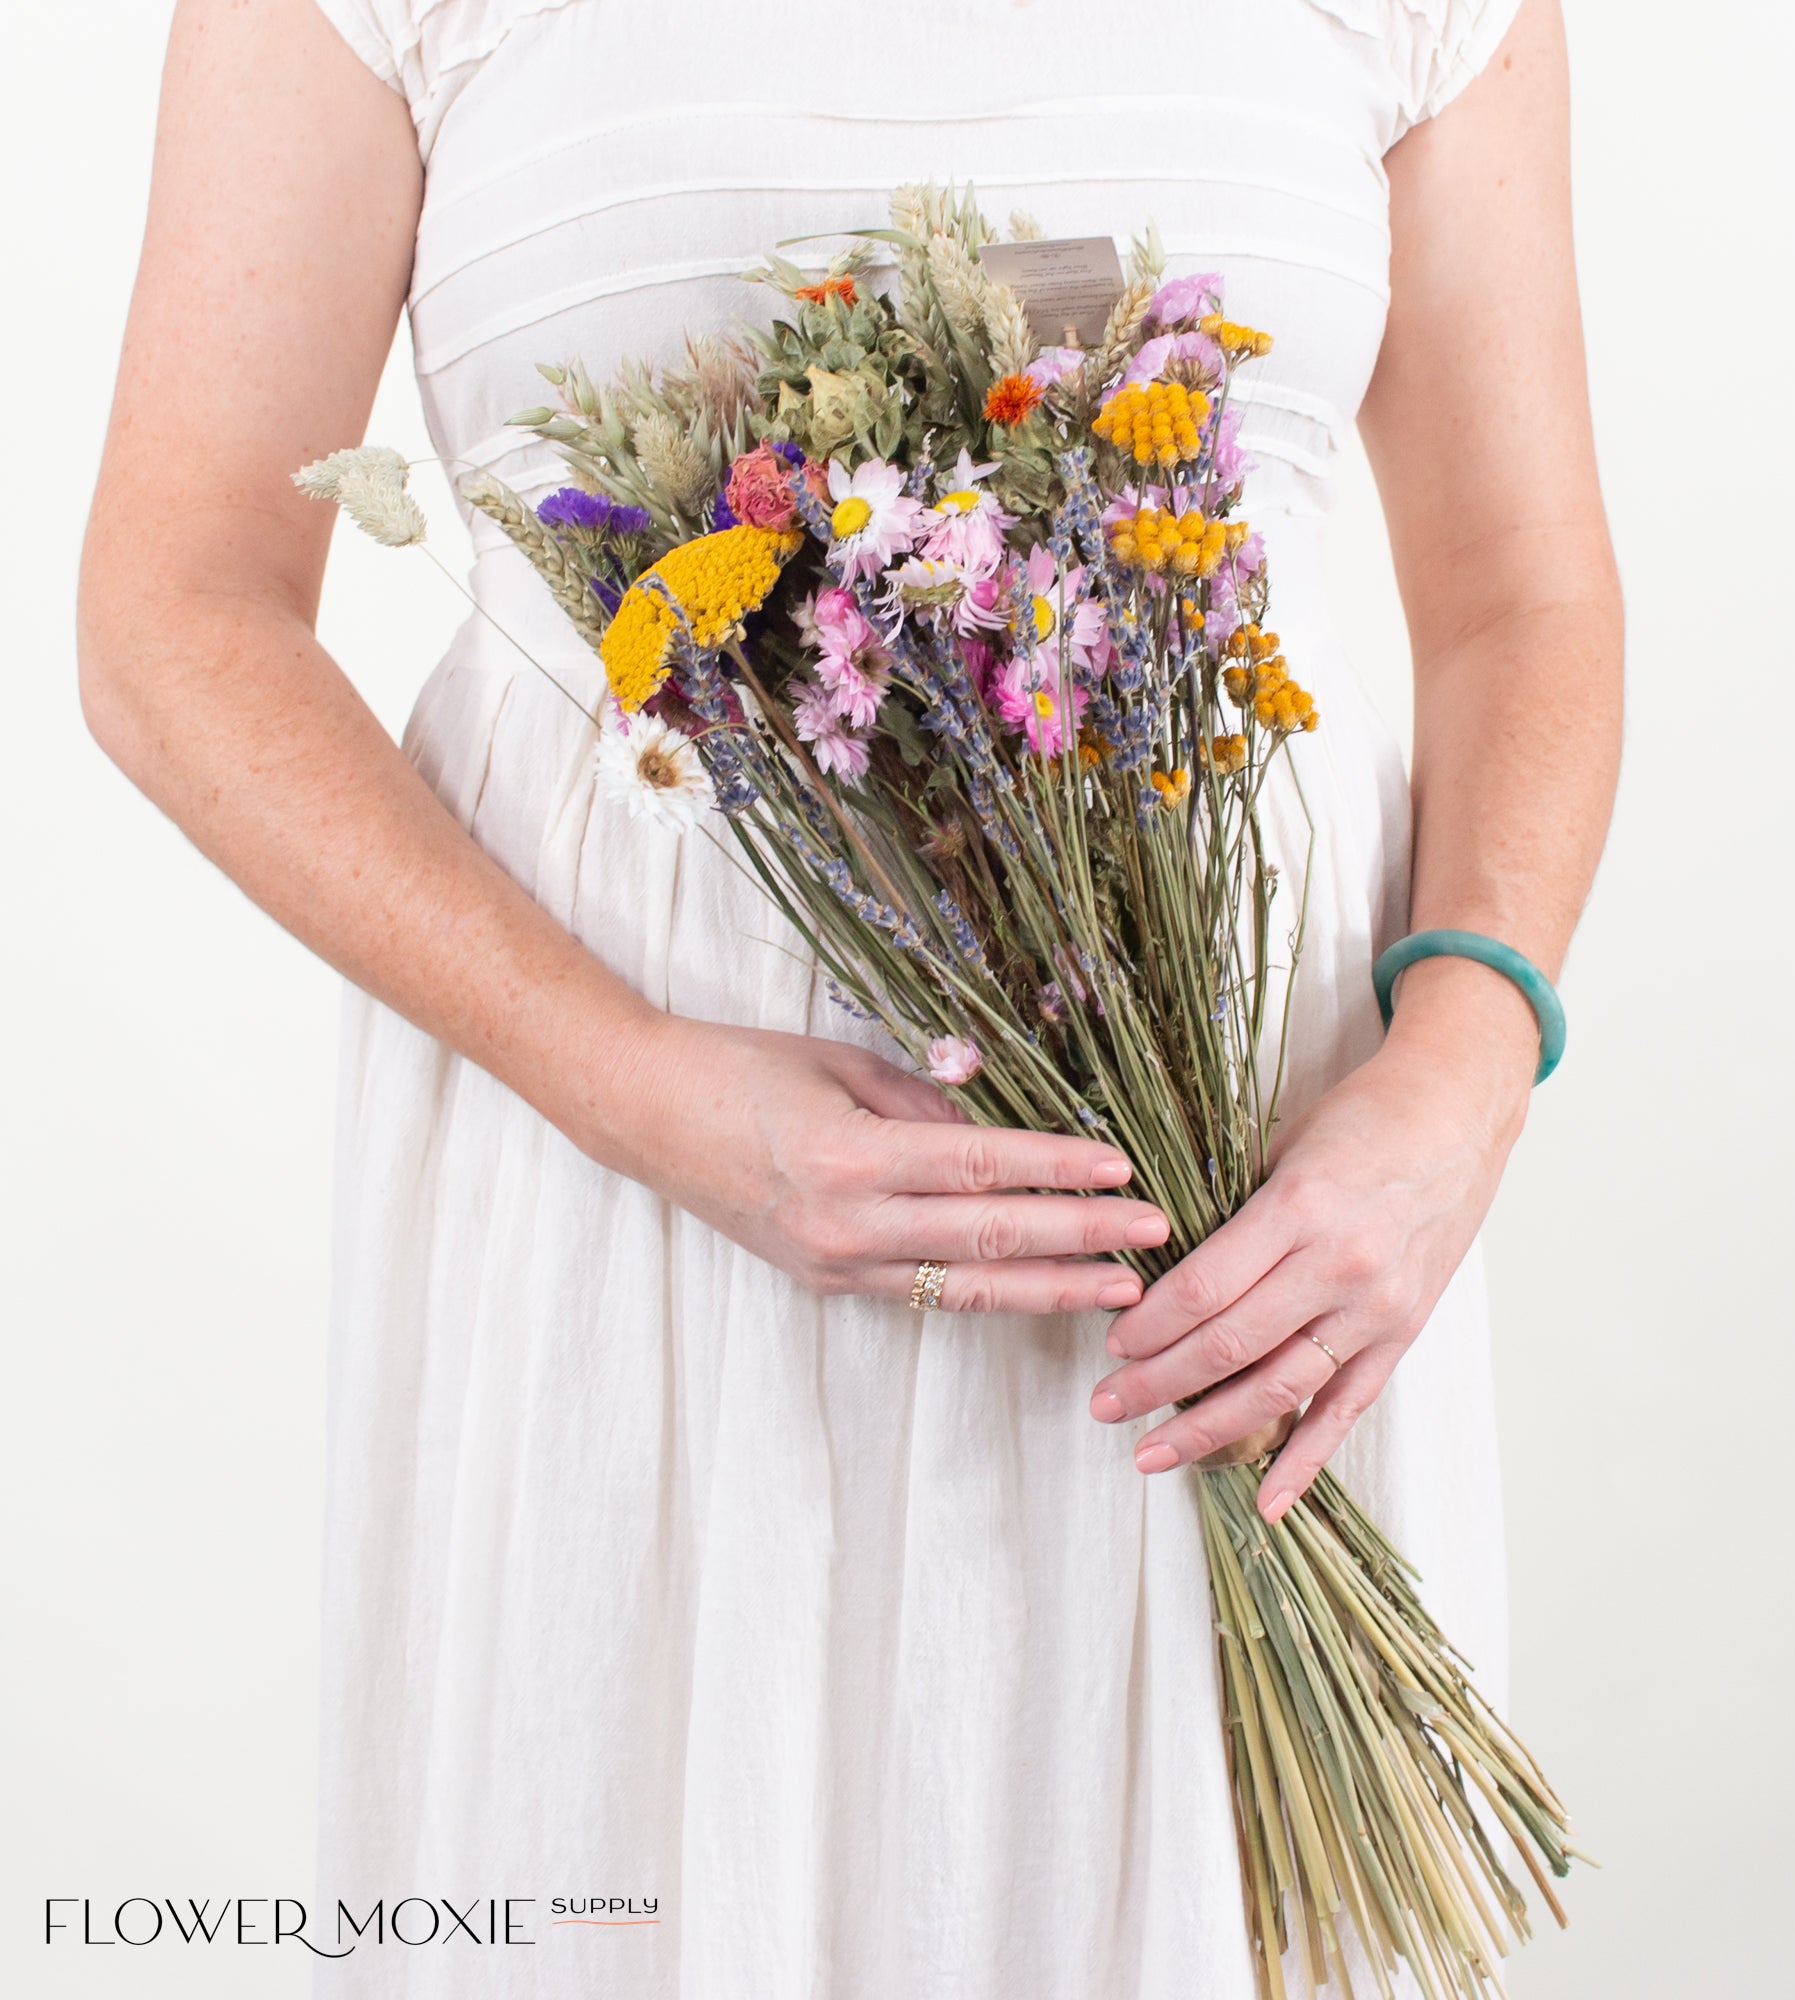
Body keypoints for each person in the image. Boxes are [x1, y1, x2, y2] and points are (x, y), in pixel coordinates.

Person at [78, 0, 1621, 1992]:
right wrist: (625, 1077)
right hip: (632, 1219)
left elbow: (1526, 592)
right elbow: (171, 603)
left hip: (1253, 1228)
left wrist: (1461, 1071)